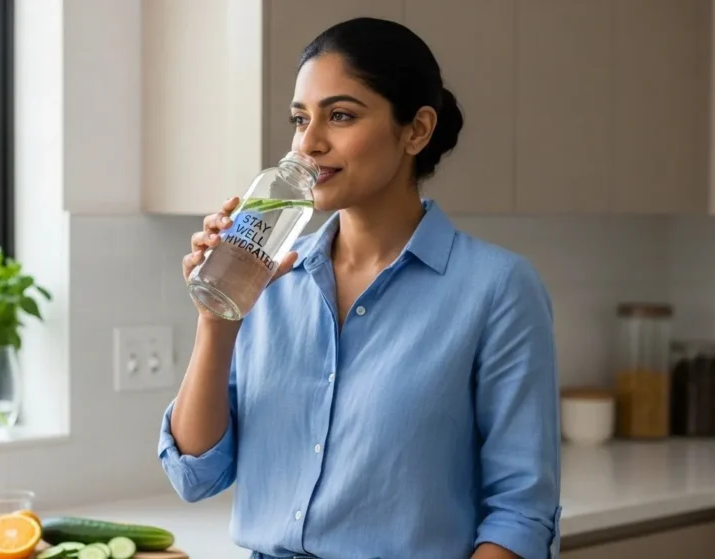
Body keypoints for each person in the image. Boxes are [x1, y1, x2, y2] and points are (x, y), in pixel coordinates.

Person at [158, 17, 561, 559]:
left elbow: (520, 514)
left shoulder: (498, 290)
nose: (309, 143)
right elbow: (195, 475)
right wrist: (217, 321)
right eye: (300, 120)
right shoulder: (267, 277)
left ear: (416, 130)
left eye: (340, 116)